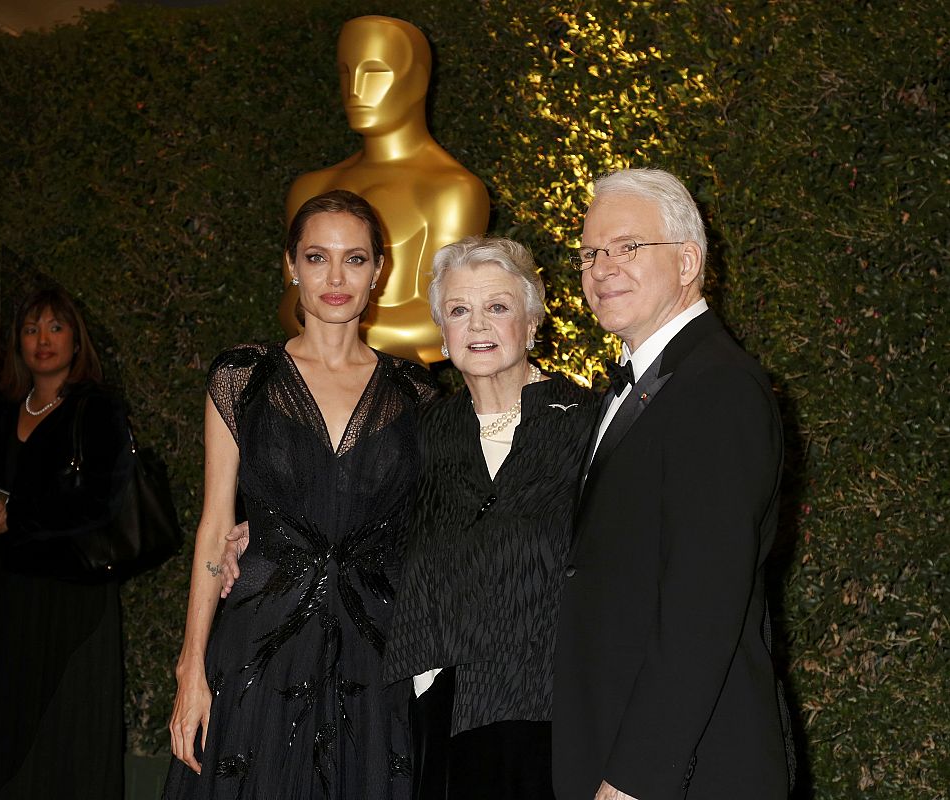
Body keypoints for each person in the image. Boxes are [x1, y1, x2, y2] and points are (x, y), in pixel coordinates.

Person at [222, 237, 597, 798]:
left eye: (497, 307)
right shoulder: (420, 430)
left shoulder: (588, 425)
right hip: (438, 718)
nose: (477, 326)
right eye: (459, 311)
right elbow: (354, 507)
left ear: (532, 319)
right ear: (441, 334)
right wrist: (261, 532)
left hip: (553, 713)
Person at [163, 190, 437, 799]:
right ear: (291, 265)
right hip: (258, 652)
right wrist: (190, 667)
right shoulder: (244, 379)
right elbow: (214, 526)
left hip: (376, 657)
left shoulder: (416, 394)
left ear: (379, 271)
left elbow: (430, 527)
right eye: (317, 257)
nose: (336, 277)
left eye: (355, 259)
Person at [552, 168, 792, 800]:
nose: (601, 267)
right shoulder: (637, 388)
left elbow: (702, 602)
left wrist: (635, 778)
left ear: (689, 261)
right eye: (589, 253)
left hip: (677, 772)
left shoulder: (718, 387)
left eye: (627, 247)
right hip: (618, 751)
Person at [280, 15, 489, 363]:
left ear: (418, 80)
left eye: (375, 72)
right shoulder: (311, 188)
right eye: (346, 72)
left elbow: (444, 321)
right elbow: (290, 304)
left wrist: (333, 326)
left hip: (400, 391)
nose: (355, 90)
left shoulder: (452, 191)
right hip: (309, 383)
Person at [0, 287, 129, 799]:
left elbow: (101, 502)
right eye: (31, 329)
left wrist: (16, 515)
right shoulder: (3, 412)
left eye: (55, 327)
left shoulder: (95, 409)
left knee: (68, 732)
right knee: (11, 726)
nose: (42, 340)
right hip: (10, 594)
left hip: (75, 597)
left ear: (76, 341)